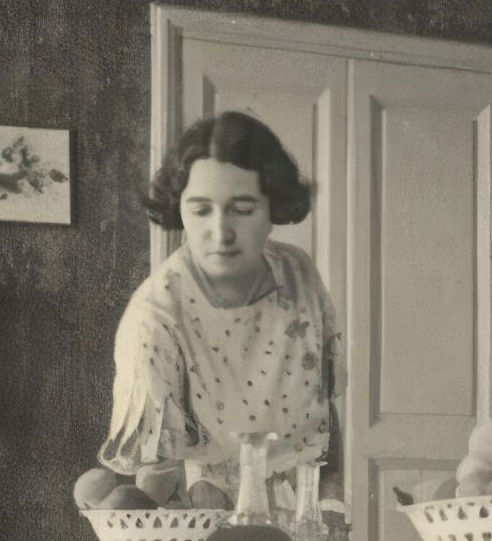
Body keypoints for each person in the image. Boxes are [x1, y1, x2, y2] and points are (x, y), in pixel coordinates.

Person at [99, 112, 345, 510]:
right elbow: (157, 473)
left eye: (242, 209)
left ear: (272, 208)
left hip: (304, 508)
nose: (220, 232)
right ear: (179, 209)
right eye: (201, 210)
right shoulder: (154, 318)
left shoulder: (298, 273)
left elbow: (324, 415)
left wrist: (332, 508)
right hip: (203, 513)